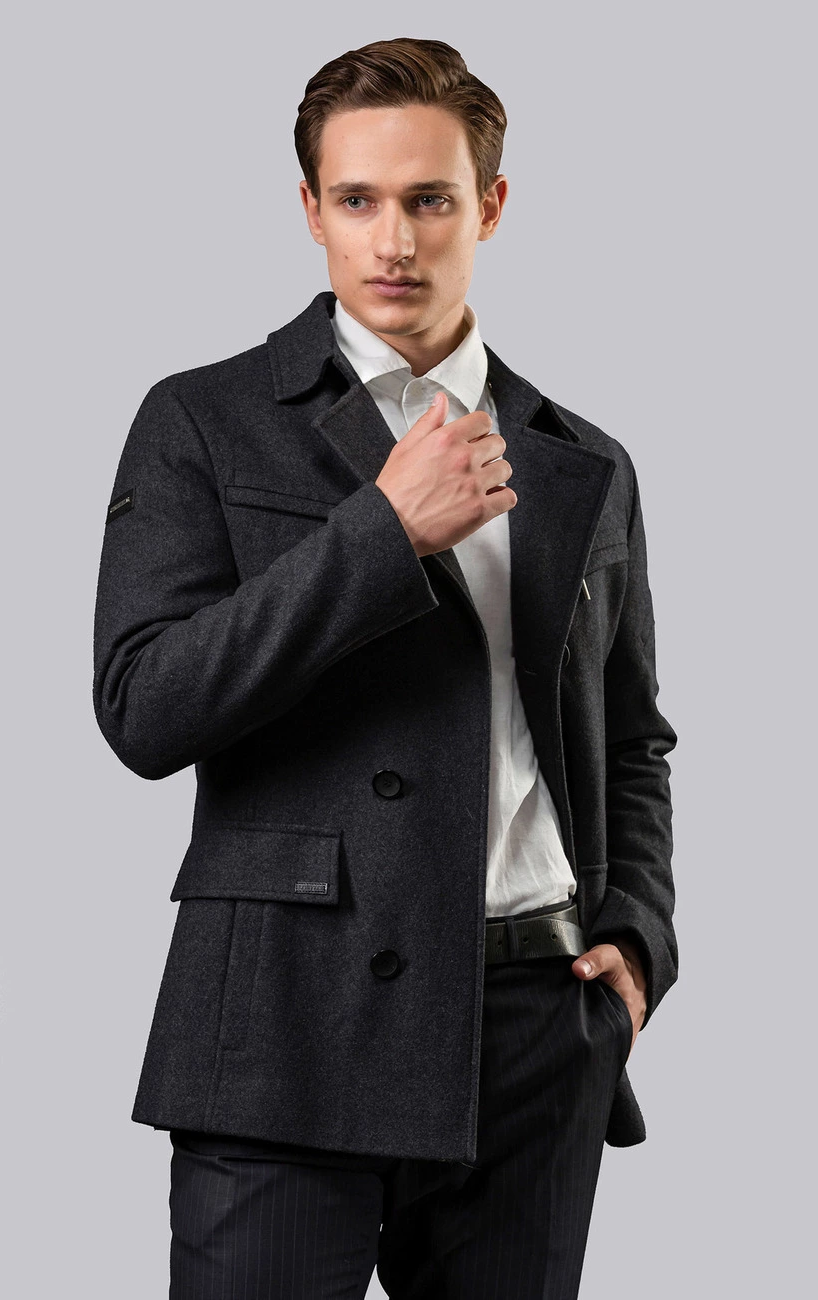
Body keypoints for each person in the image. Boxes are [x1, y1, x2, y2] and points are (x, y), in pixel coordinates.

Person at [92, 36, 678, 1300]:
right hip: (283, 1025)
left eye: (430, 200)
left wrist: (637, 936)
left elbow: (631, 735)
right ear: (311, 210)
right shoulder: (204, 421)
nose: (394, 241)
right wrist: (381, 534)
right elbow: (145, 705)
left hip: (531, 1033)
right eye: (357, 200)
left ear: (491, 206)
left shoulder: (584, 461)